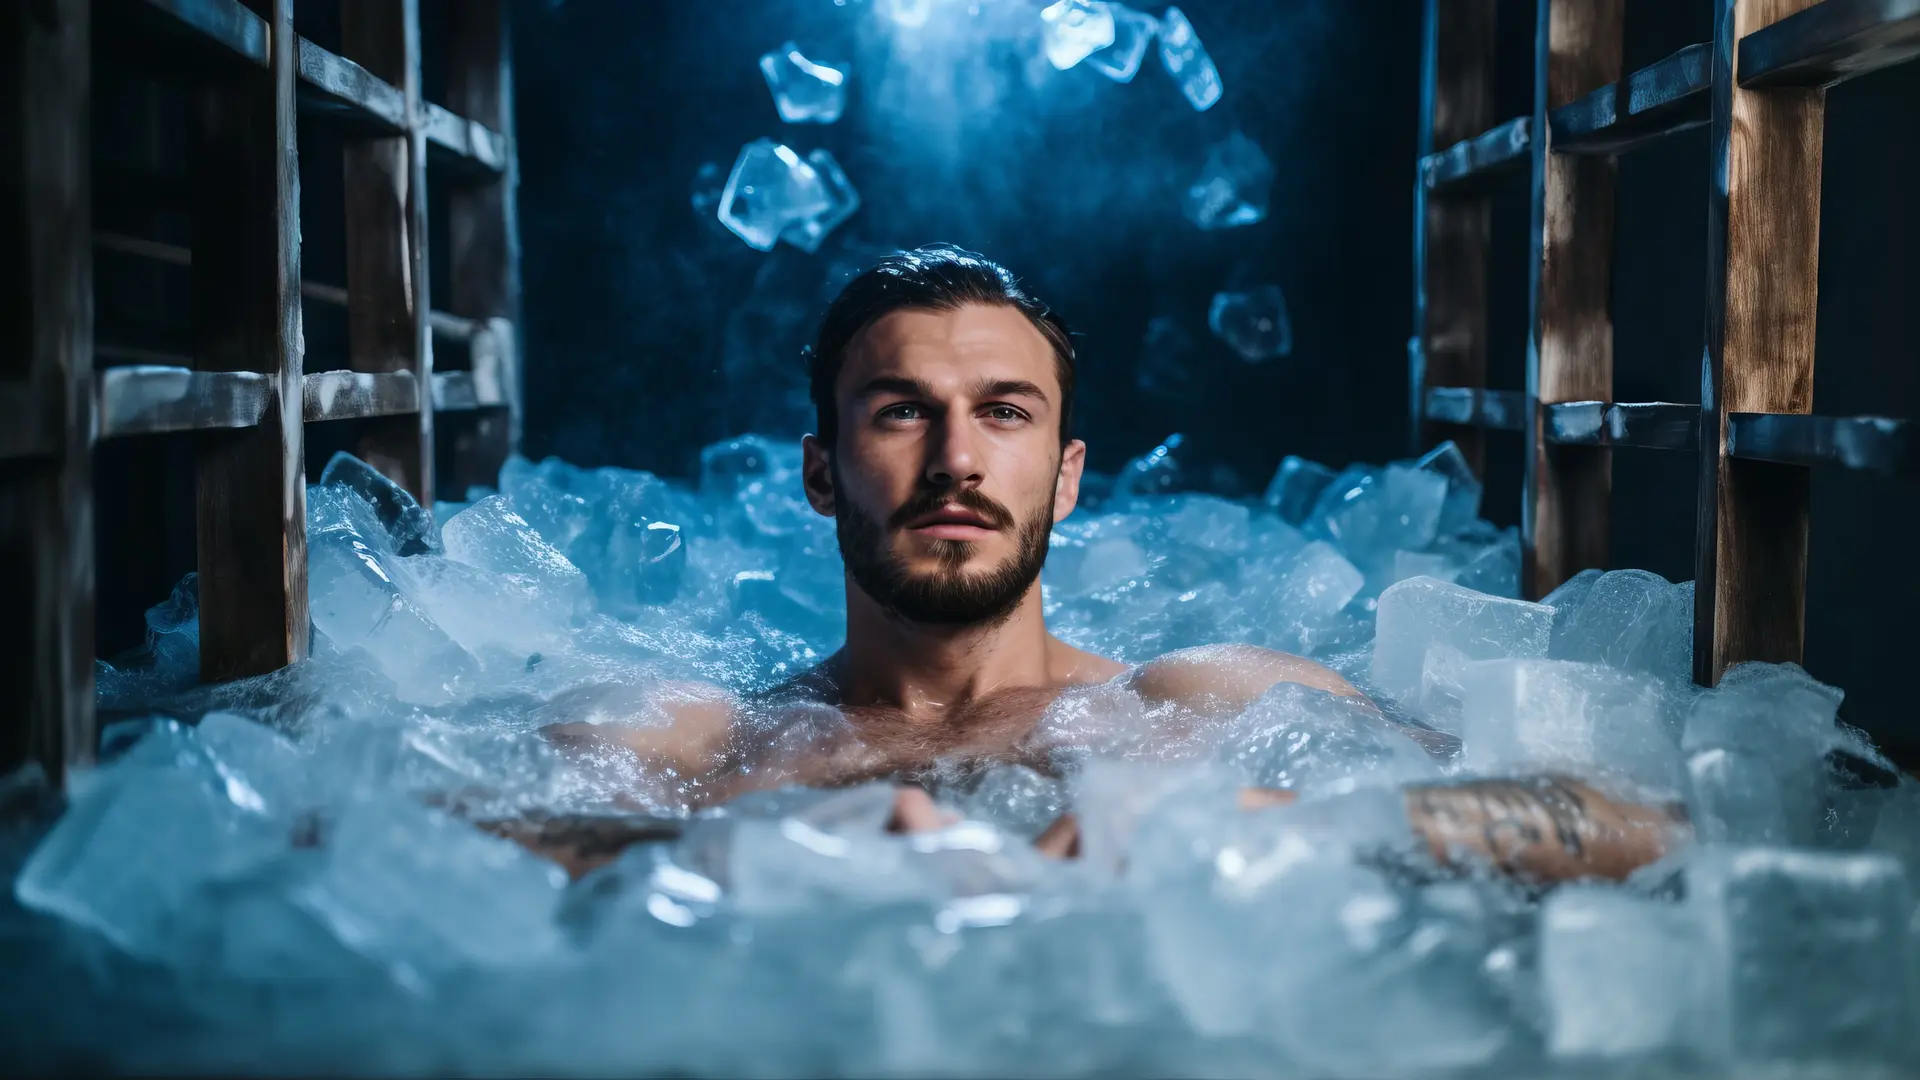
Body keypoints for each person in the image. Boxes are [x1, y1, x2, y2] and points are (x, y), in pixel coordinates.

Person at [506, 245, 1684, 881]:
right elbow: (405, 845)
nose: (958, 459)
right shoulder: (708, 741)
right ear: (821, 472)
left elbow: (1640, 823)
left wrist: (1295, 828)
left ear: (1067, 477)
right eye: (903, 411)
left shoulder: (1199, 703)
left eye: (1005, 414)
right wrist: (764, 847)